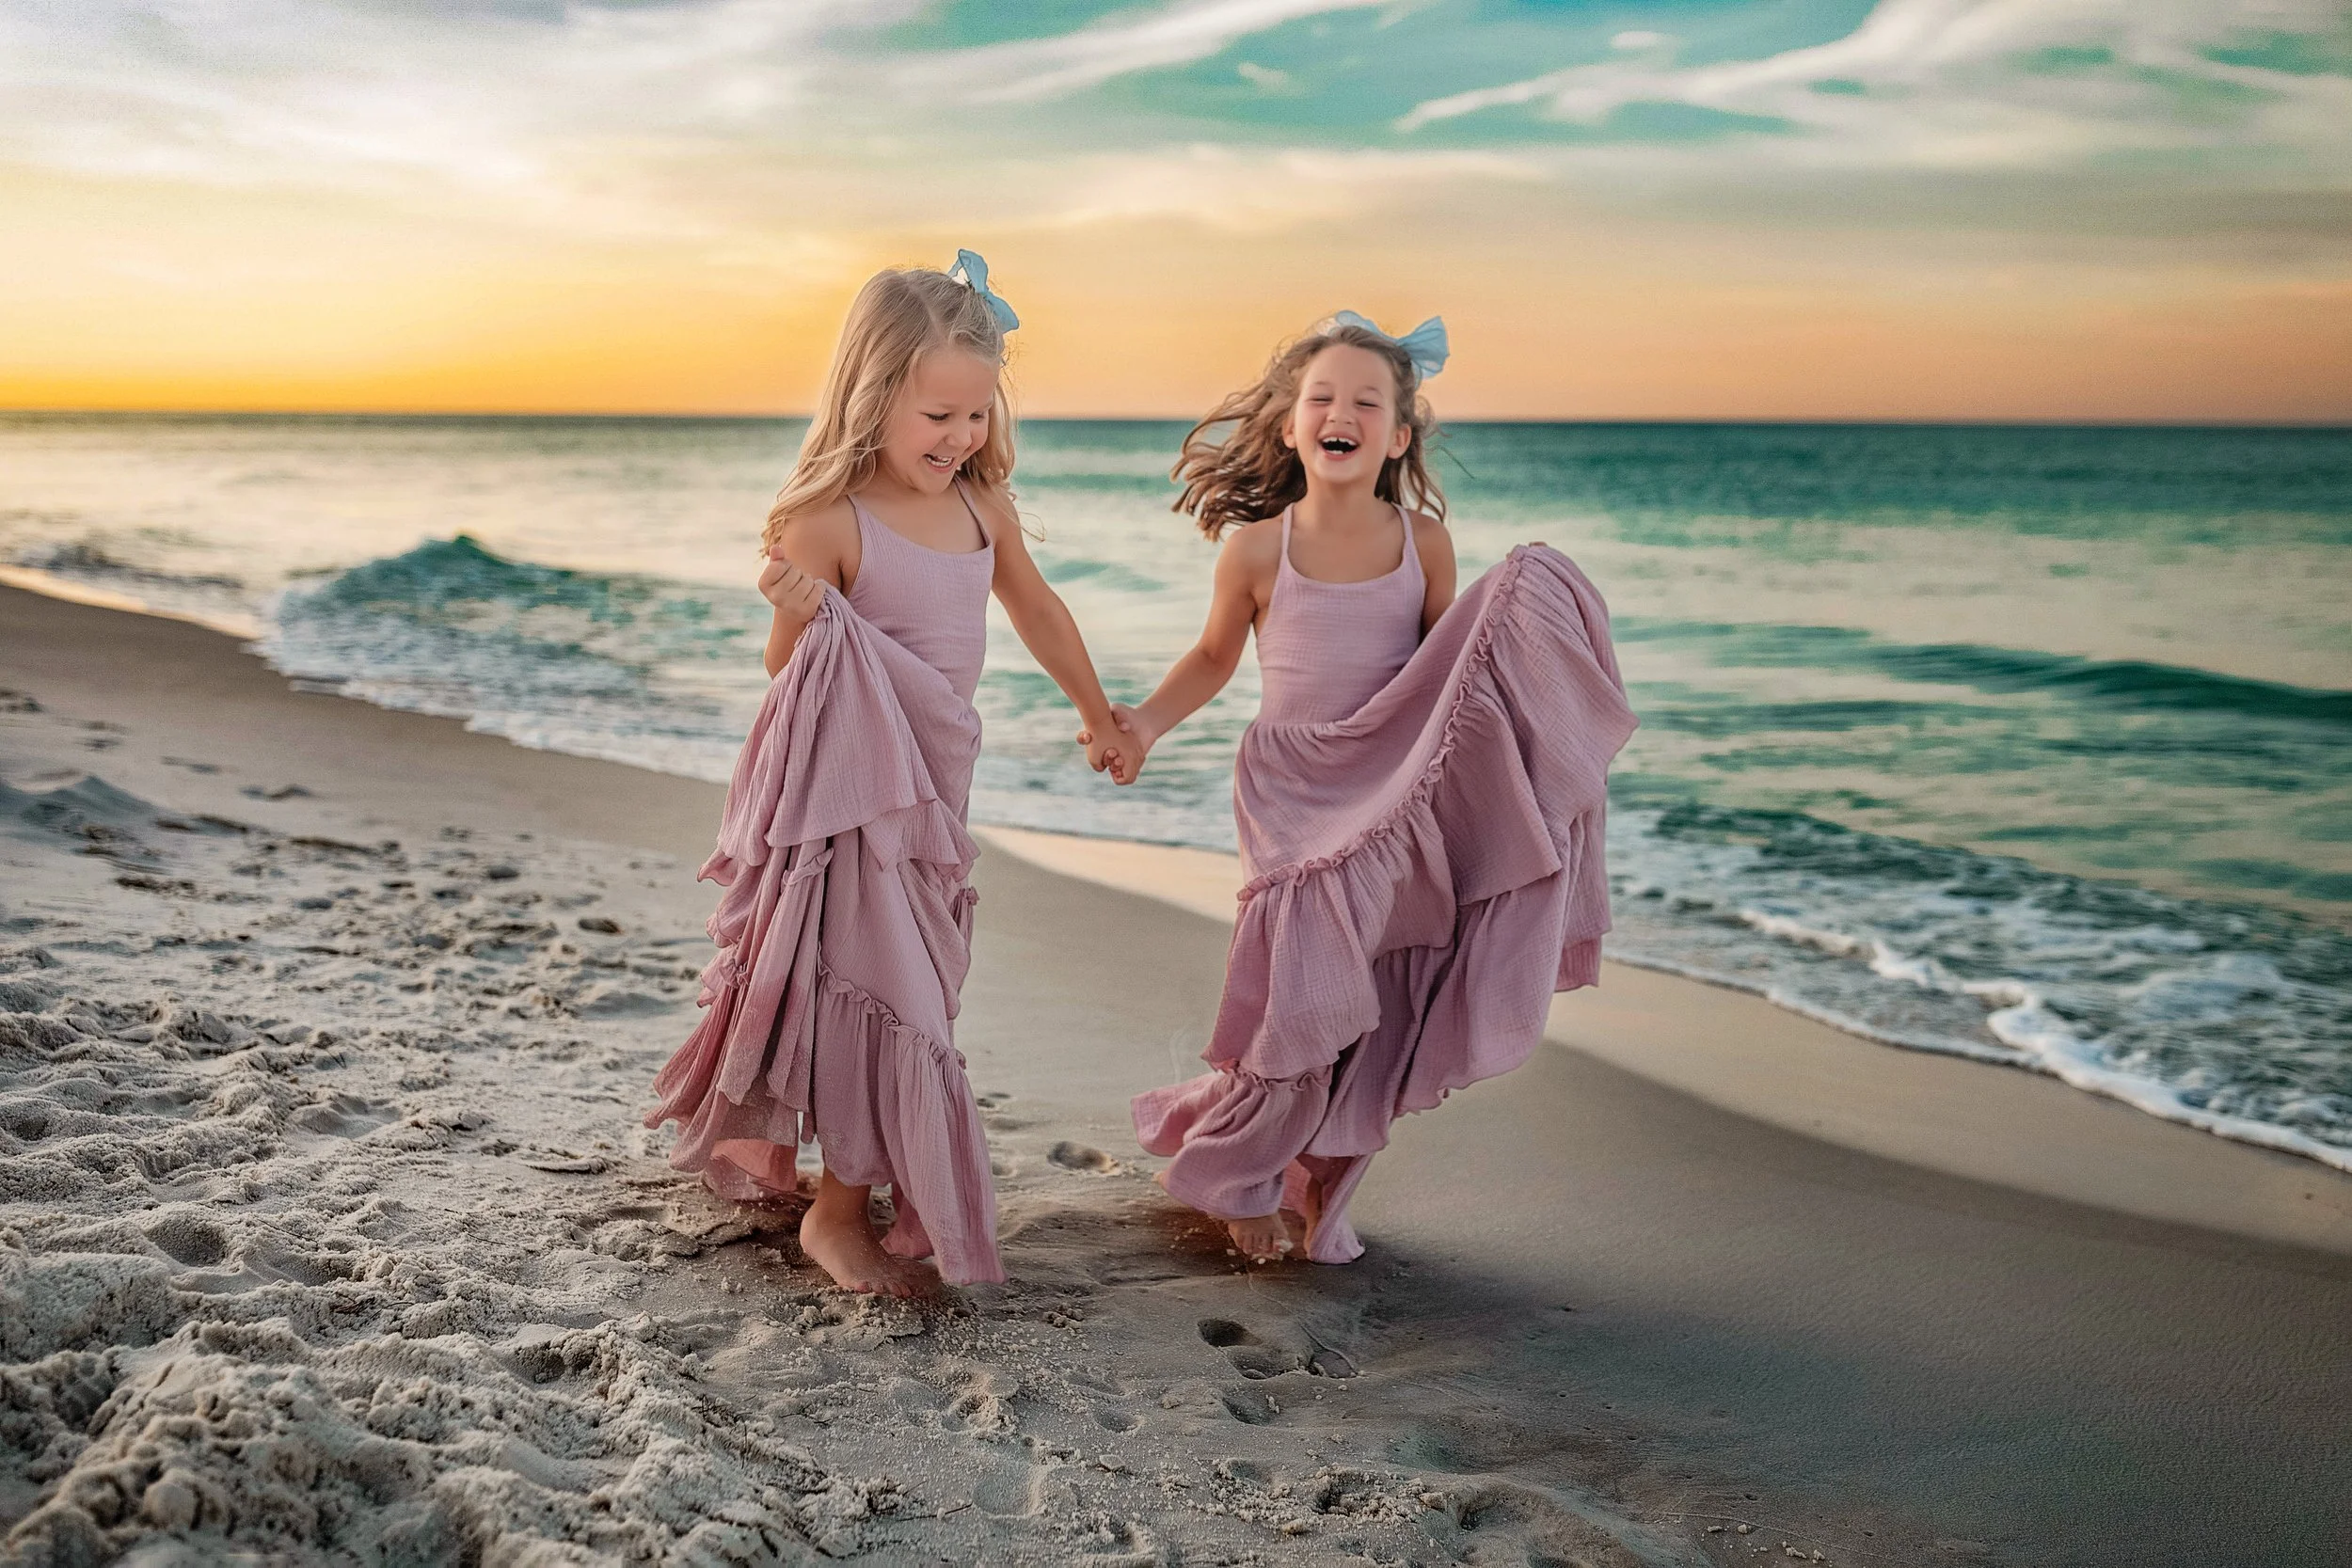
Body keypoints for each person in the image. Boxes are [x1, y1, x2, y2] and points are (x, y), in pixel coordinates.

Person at [1101, 311, 1637, 1264]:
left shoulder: (1422, 541)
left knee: (1368, 995)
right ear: (1286, 425)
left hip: (1385, 785)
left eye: (1365, 401)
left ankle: (1316, 1178)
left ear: (1397, 436)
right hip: (1290, 786)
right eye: (1320, 398)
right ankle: (1237, 1176)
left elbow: (1449, 679)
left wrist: (1527, 679)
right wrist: (1142, 721)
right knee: (1303, 981)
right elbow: (1215, 656)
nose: (1339, 412)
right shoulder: (1258, 548)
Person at [647, 250, 1135, 1295]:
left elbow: (1038, 612)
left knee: (924, 983)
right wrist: (798, 603)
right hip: (850, 804)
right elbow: (789, 671)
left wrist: (1096, 713)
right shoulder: (829, 520)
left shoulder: (983, 509)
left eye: (976, 413)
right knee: (889, 995)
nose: (960, 438)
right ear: (873, 397)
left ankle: (845, 1190)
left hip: (934, 800)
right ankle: (837, 1213)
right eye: (938, 417)